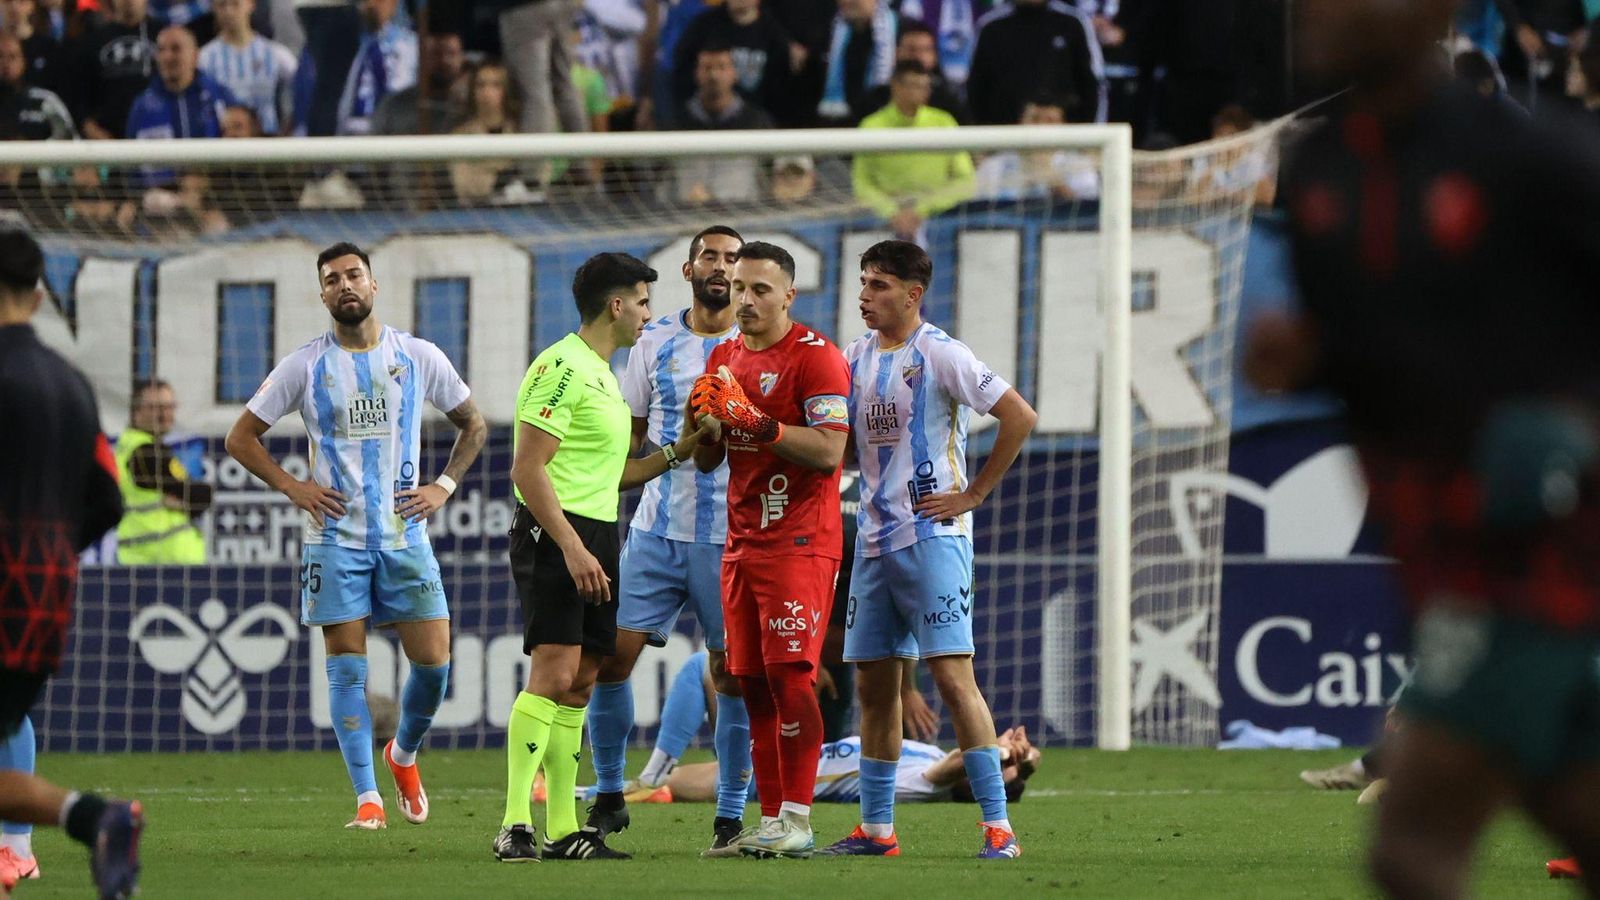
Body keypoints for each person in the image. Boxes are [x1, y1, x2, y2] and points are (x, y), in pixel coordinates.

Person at [1250, 0, 1600, 894]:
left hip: (1544, 550)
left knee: (1414, 841)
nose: (1319, 14)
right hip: (1444, 546)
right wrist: (1316, 360)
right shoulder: (1319, 167)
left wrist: (1569, 425)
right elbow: (1392, 366)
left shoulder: (1528, 158)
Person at [224, 242, 489, 831]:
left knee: (434, 667)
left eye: (354, 275)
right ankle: (367, 797)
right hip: (334, 539)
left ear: (373, 285)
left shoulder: (418, 356)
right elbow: (240, 438)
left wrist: (443, 485)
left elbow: (473, 424)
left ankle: (404, 755)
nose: (345, 285)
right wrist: (294, 486)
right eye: (332, 279)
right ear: (321, 294)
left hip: (404, 538)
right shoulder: (304, 366)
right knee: (347, 669)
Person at [817, 240, 1036, 860]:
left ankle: (998, 829)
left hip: (933, 538)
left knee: (951, 678)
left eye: (880, 285)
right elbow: (853, 450)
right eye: (863, 283)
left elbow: (1018, 414)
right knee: (874, 690)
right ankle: (878, 831)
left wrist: (974, 494)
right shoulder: (853, 358)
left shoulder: (940, 352)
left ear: (913, 294)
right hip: (874, 541)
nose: (865, 294)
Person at [495, 252, 709, 863]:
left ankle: (563, 829)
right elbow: (526, 469)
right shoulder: (559, 368)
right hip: (554, 533)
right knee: (553, 676)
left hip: (597, 534)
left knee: (584, 682)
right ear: (616, 306)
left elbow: (612, 472)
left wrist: (682, 449)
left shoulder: (603, 374)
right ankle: (515, 823)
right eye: (642, 301)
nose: (647, 312)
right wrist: (569, 545)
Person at [581, 227, 750, 857]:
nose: (721, 267)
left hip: (729, 539)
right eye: (711, 255)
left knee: (730, 674)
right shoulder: (652, 341)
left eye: (733, 259)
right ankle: (607, 796)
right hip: (655, 530)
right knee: (609, 660)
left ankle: (730, 818)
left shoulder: (757, 345)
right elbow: (630, 439)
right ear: (688, 268)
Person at [689, 241, 852, 859]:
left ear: (789, 294)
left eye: (761, 289)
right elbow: (709, 458)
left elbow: (831, 452)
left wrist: (755, 422)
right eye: (738, 289)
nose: (746, 300)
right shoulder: (723, 354)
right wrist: (704, 423)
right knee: (747, 680)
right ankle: (773, 821)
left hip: (800, 541)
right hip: (741, 540)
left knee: (790, 677)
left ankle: (800, 817)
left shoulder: (818, 360)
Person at [0, 226, 141, 899]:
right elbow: (108, 501)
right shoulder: (72, 385)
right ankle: (94, 820)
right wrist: (49, 550)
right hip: (44, 597)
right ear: (36, 293)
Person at [579, 651, 1041, 808]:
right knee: (708, 668)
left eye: (1002, 772)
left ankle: (587, 794)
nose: (1001, 760)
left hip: (774, 779)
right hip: (787, 754)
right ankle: (613, 785)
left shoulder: (930, 784)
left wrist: (1005, 753)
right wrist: (1016, 761)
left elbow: (963, 761)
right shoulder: (932, 758)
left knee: (669, 786)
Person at [853, 60, 975, 241]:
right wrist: (892, 212)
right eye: (915, 85)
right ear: (895, 86)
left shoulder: (943, 122)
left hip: (939, 223)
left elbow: (966, 179)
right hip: (881, 224)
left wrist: (922, 209)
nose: (923, 91)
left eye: (926, 86)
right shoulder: (872, 126)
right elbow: (862, 183)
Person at [114, 378, 212, 564]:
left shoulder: (128, 445)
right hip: (163, 562)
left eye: (169, 407)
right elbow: (199, 496)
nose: (165, 415)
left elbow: (194, 497)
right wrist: (187, 501)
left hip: (143, 558)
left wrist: (185, 501)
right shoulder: (146, 453)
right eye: (155, 408)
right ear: (136, 412)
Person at [666, 46, 774, 206]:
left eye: (722, 67)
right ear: (696, 73)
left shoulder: (757, 121)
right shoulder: (676, 121)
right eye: (707, 68)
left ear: (734, 74)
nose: (714, 75)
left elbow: (770, 173)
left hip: (745, 215)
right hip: (685, 215)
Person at [967, 0, 1103, 126]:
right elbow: (975, 91)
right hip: (1004, 142)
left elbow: (1093, 86)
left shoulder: (1073, 23)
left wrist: (1092, 139)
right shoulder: (990, 28)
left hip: (1065, 142)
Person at [197, 0, 296, 135]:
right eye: (222, 5)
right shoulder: (204, 58)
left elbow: (301, 91)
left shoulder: (276, 55)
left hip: (268, 143)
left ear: (251, 4)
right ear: (213, 8)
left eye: (235, 4)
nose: (228, 12)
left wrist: (289, 129)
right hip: (223, 143)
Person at [334, 0, 416, 137]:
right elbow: (347, 97)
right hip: (354, 133)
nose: (369, 5)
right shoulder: (359, 47)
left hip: (390, 131)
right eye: (364, 2)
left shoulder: (407, 45)